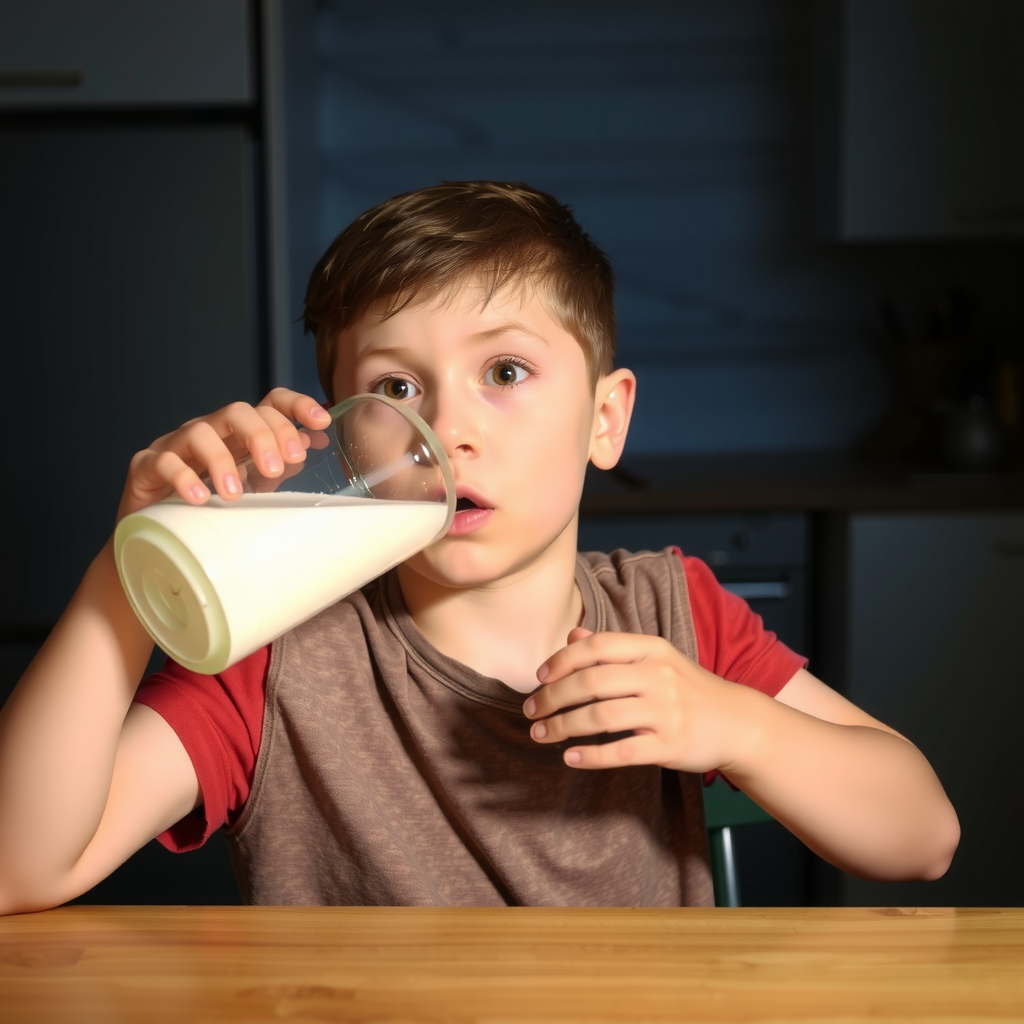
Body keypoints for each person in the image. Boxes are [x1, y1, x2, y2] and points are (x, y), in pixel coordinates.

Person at [0, 181, 959, 912]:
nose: (450, 430)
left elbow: (921, 837)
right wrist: (129, 571)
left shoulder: (676, 614)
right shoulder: (276, 651)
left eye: (505, 370)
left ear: (605, 419)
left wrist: (735, 726)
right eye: (400, 390)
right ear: (344, 432)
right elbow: (21, 866)